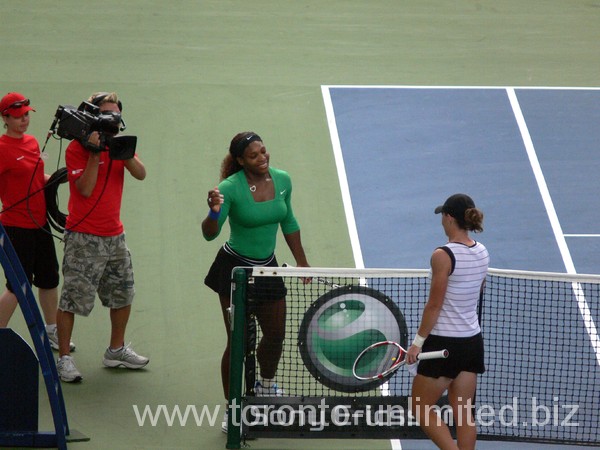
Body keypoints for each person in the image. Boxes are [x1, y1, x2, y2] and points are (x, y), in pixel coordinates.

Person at [202, 131, 310, 430]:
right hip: (235, 271)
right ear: (240, 160)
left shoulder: (283, 180)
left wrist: (302, 262)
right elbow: (210, 233)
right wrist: (213, 212)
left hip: (268, 269)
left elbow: (288, 221)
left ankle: (266, 385)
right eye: (254, 155)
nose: (262, 158)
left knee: (275, 335)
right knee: (238, 342)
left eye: (264, 151)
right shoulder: (229, 188)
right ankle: (233, 408)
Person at [55, 92, 148, 383]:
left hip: (114, 236)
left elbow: (141, 174)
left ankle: (116, 350)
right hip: (84, 237)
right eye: (105, 114)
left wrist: (124, 152)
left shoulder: (120, 146)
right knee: (72, 299)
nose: (111, 119)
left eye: (115, 115)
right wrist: (95, 153)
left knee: (123, 294)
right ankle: (64, 359)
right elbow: (84, 189)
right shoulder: (76, 150)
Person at [406, 193, 489, 450]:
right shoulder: (482, 252)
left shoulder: (443, 255)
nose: (441, 220)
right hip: (471, 344)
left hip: (442, 345)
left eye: (443, 215)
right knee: (464, 414)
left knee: (420, 407)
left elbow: (434, 304)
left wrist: (417, 343)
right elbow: (477, 290)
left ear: (449, 218)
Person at [0, 92, 75, 351]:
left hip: (39, 223)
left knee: (49, 278)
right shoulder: (2, 149)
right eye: (18, 117)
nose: (24, 121)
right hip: (16, 226)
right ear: (5, 118)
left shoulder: (32, 143)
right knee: (18, 285)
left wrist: (54, 178)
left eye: (26, 116)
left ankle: (52, 331)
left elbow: (35, 178)